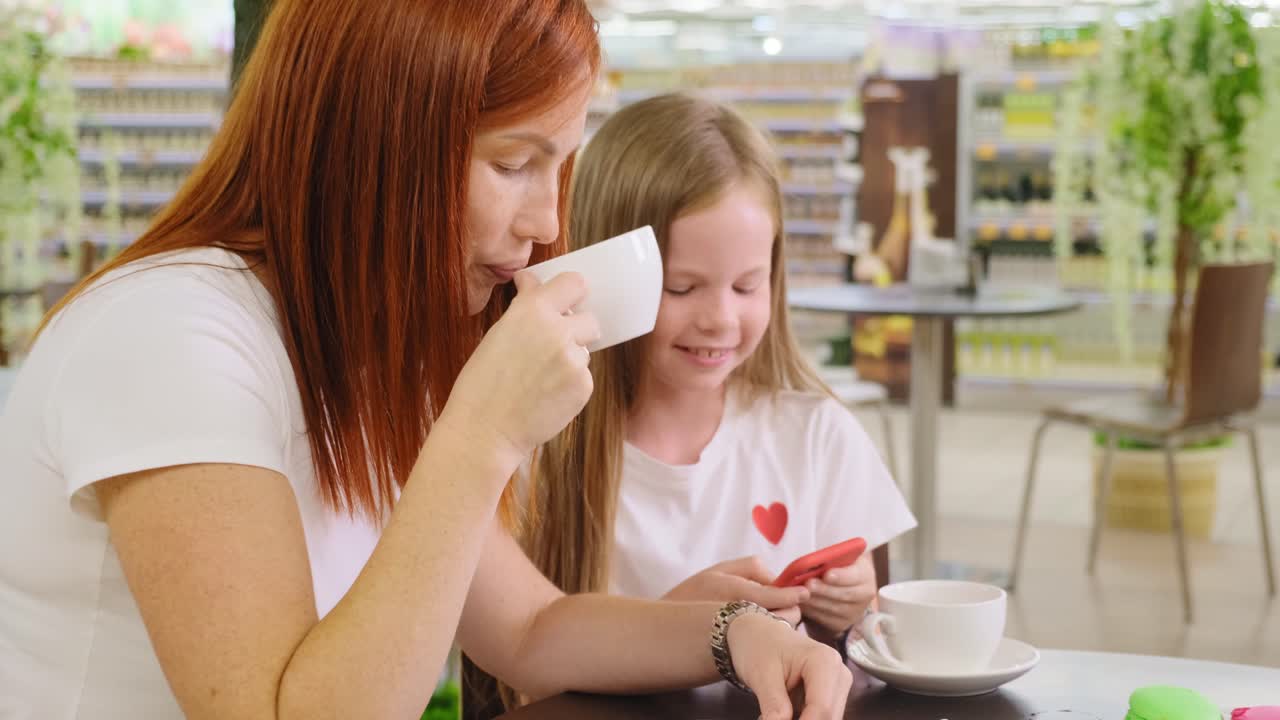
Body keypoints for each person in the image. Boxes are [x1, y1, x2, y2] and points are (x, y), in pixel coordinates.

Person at [0, 4, 853, 719]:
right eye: (514, 164)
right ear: (375, 147)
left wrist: (733, 630)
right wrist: (479, 433)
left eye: (558, 169)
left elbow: (529, 630)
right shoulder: (173, 335)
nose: (548, 226)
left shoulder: (371, 345)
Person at [525, 92, 917, 652]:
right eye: (681, 288)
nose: (721, 320)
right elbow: (519, 660)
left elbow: (877, 637)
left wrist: (854, 607)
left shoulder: (814, 435)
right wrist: (675, 629)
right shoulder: (545, 455)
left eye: (746, 285)